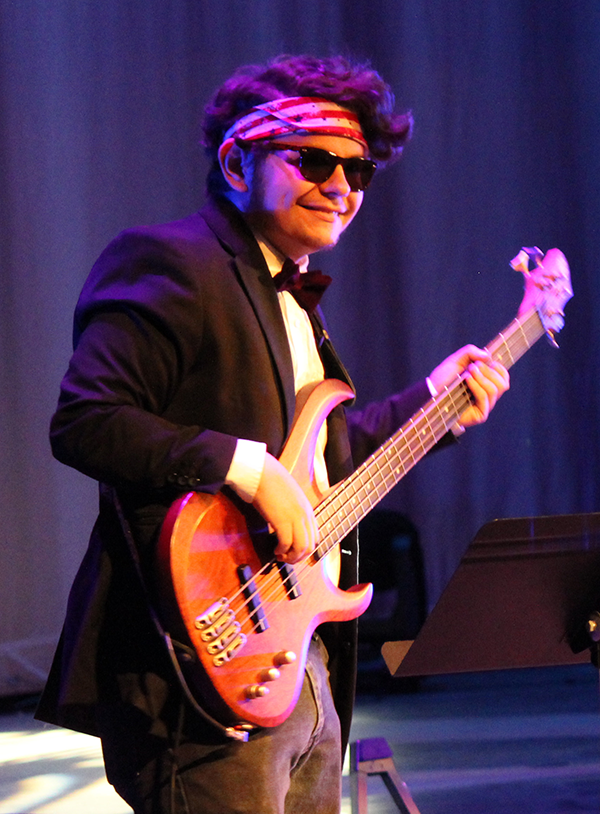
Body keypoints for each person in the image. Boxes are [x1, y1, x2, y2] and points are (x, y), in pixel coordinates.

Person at [37, 54, 509, 813]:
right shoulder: (174, 261)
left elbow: (323, 462)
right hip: (200, 669)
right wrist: (243, 469)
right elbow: (87, 421)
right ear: (237, 160)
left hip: (298, 667)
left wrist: (434, 404)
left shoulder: (292, 295)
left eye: (359, 173)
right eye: (315, 161)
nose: (342, 188)